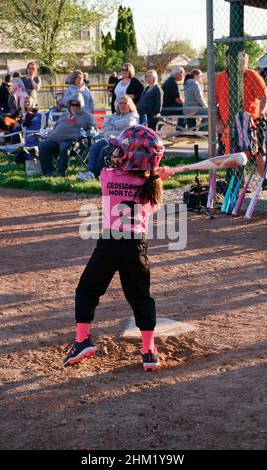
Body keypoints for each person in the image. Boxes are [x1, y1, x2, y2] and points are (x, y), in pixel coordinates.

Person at [63, 125, 173, 371]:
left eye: (122, 150)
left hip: (109, 244)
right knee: (140, 297)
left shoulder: (107, 176)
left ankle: (82, 340)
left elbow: (115, 167)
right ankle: (148, 351)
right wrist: (156, 175)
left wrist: (153, 174)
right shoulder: (152, 186)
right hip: (136, 246)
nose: (116, 153)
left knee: (87, 290)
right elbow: (150, 198)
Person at [215, 50, 267, 179]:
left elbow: (264, 97)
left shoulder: (252, 76)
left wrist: (262, 111)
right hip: (228, 123)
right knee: (232, 152)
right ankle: (236, 180)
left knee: (258, 151)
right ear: (227, 61)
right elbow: (212, 105)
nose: (241, 63)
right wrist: (217, 123)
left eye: (243, 60)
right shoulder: (220, 78)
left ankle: (263, 179)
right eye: (235, 60)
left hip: (252, 121)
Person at [77, 95, 139, 181]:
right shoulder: (115, 115)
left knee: (104, 150)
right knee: (94, 147)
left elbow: (127, 123)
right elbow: (104, 126)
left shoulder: (133, 115)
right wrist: (115, 123)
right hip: (109, 139)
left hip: (123, 142)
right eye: (120, 103)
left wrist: (112, 123)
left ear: (130, 105)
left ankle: (97, 174)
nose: (122, 105)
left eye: (125, 103)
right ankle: (90, 172)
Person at [38, 93, 96, 177]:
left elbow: (94, 130)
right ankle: (48, 173)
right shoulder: (64, 115)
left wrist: (91, 131)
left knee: (64, 146)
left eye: (77, 104)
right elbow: (55, 128)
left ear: (81, 105)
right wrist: (48, 133)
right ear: (69, 104)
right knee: (43, 145)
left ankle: (60, 173)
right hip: (55, 140)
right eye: (73, 104)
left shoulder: (87, 116)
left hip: (74, 142)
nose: (75, 106)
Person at [161, 66, 185, 131]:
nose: (183, 75)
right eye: (183, 73)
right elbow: (178, 100)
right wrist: (185, 103)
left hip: (164, 108)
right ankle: (180, 132)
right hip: (167, 109)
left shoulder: (169, 80)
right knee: (185, 109)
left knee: (184, 108)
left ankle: (180, 131)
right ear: (179, 73)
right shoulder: (172, 83)